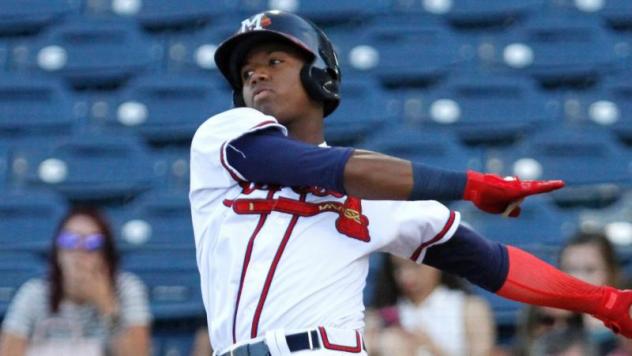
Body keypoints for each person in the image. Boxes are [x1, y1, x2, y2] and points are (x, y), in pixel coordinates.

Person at [188, 10, 632, 356]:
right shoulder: (224, 140)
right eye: (246, 73)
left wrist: (603, 302)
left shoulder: (380, 191)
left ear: (318, 75)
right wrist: (472, 184)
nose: (257, 75)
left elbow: (490, 263)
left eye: (275, 61)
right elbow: (326, 169)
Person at [0, 206, 152, 356]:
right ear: (57, 252)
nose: (79, 251)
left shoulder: (127, 288)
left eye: (93, 243)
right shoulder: (34, 293)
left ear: (105, 254)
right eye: (69, 241)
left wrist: (107, 305)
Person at [365, 255, 495, 355]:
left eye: (415, 266)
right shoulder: (379, 315)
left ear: (437, 263)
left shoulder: (470, 308)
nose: (406, 276)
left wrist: (430, 347)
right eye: (398, 267)